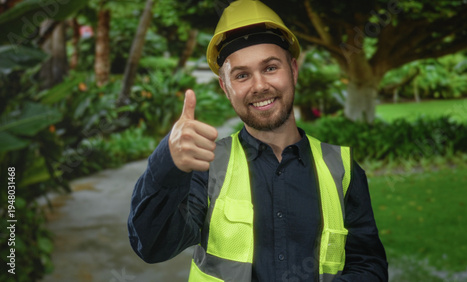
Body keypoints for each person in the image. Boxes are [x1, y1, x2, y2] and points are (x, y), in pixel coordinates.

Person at [128, 0, 388, 281]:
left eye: (270, 68)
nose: (260, 86)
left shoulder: (343, 169)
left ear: (293, 70)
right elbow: (152, 246)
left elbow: (368, 265)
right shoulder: (207, 167)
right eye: (241, 75)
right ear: (226, 88)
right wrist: (167, 163)